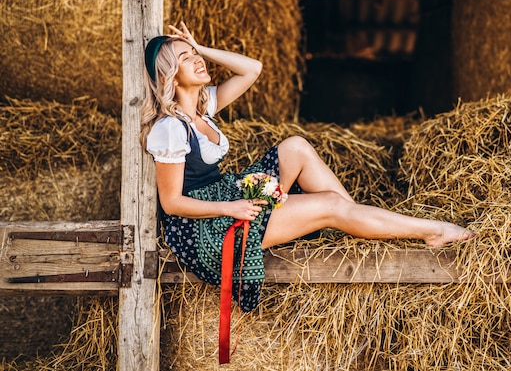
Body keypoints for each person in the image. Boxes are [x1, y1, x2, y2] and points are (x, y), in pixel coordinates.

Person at [140, 21, 474, 312]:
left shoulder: (203, 106)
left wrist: (200, 48)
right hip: (203, 230)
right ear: (170, 75)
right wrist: (233, 207)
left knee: (296, 146)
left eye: (194, 54)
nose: (197, 60)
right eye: (186, 59)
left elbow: (252, 69)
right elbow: (173, 203)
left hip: (225, 197)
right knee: (330, 205)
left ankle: (356, 217)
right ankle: (432, 230)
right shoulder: (170, 128)